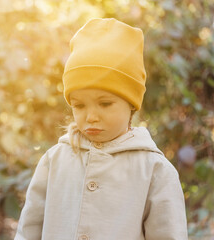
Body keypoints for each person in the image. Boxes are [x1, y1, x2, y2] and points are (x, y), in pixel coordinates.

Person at [14, 18, 188, 240]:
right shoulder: (54, 161)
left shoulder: (155, 171)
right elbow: (28, 231)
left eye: (105, 104)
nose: (91, 116)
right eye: (79, 105)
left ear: (131, 104)